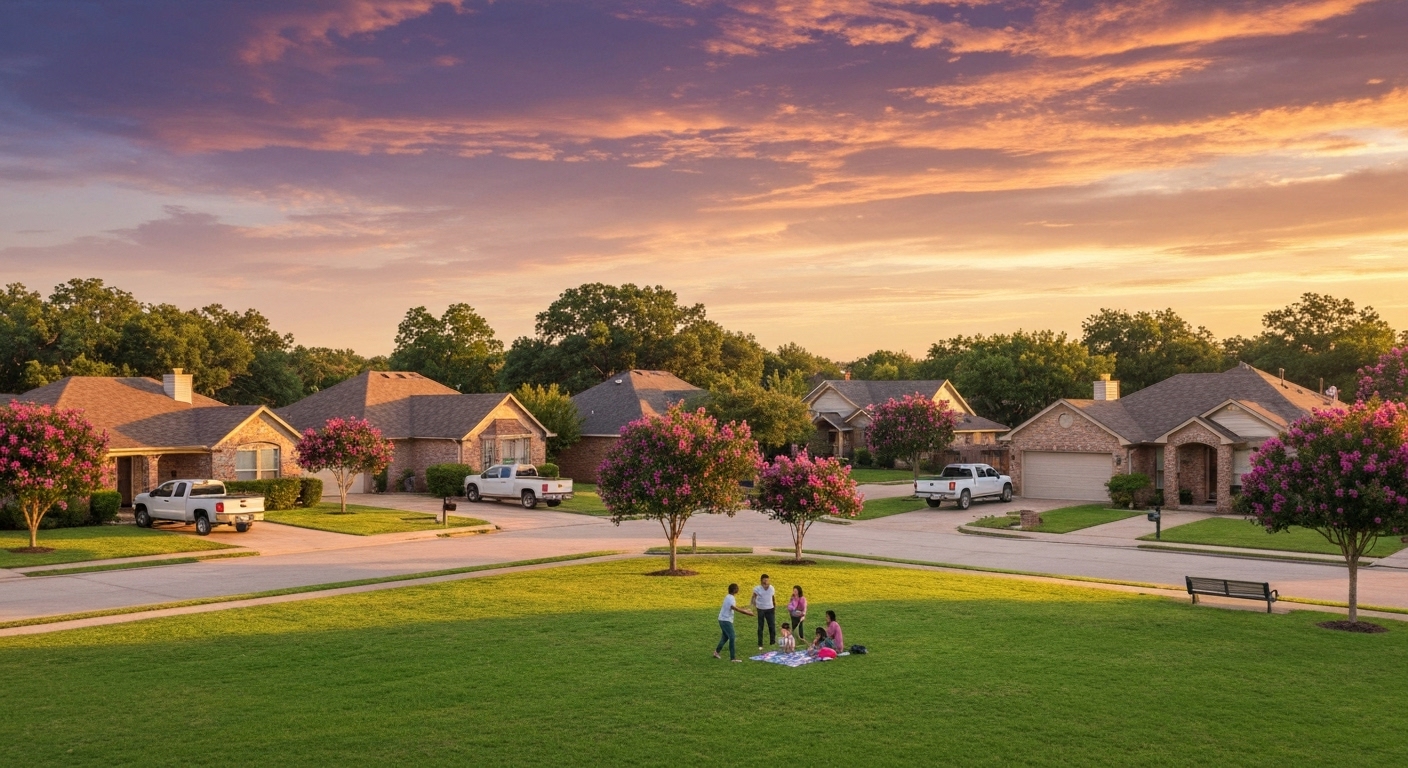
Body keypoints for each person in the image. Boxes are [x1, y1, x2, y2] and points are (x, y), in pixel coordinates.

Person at [715, 583, 754, 662]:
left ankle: (716, 652)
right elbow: (735, 608)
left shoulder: (728, 597)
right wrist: (747, 613)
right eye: (737, 588)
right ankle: (733, 658)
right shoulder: (731, 598)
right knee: (732, 637)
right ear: (734, 590)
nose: (738, 589)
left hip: (722, 619)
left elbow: (735, 607)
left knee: (725, 637)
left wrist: (746, 610)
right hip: (726, 620)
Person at [752, 574, 777, 651]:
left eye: (767, 579)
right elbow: (753, 597)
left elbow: (773, 597)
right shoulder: (757, 589)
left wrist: (774, 605)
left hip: (770, 609)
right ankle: (760, 643)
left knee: (772, 626)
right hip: (761, 609)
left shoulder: (771, 588)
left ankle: (772, 642)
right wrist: (753, 606)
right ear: (761, 580)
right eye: (765, 579)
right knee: (760, 627)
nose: (766, 581)